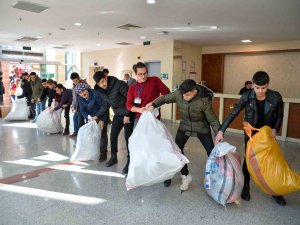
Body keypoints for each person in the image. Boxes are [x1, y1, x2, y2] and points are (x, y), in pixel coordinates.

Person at [215, 71, 286, 206]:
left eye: (263, 88)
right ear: (252, 85)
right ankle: (246, 187)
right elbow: (233, 113)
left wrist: (275, 129)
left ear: (268, 85)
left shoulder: (275, 97)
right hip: (251, 134)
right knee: (249, 160)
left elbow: (280, 115)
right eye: (257, 88)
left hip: (267, 134)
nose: (260, 91)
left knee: (269, 162)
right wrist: (221, 131)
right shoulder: (246, 96)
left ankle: (274, 191)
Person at [146, 79, 220, 191]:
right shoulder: (179, 94)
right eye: (183, 95)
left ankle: (217, 177)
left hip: (202, 128)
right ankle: (185, 175)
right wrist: (153, 104)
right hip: (184, 126)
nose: (184, 97)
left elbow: (213, 120)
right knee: (176, 151)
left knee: (212, 152)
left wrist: (219, 133)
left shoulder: (204, 101)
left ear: (195, 91)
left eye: (188, 95)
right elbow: (165, 98)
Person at [126, 62, 170, 186]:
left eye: (145, 73)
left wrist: (155, 103)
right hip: (139, 120)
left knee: (158, 146)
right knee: (140, 146)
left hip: (154, 120)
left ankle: (166, 174)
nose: (143, 76)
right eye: (140, 74)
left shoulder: (154, 81)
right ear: (135, 74)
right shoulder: (133, 88)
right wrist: (139, 110)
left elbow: (167, 93)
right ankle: (140, 171)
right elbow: (129, 105)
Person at [93, 70, 135, 174]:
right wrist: (97, 116)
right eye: (100, 83)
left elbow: (131, 99)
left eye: (103, 81)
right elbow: (105, 105)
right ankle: (113, 157)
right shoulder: (102, 90)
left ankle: (130, 161)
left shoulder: (119, 84)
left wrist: (127, 114)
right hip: (118, 114)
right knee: (113, 135)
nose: (102, 84)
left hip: (127, 113)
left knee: (128, 138)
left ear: (106, 77)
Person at [75, 83, 108, 158]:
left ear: (87, 89)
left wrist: (101, 119)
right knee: (91, 134)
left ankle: (103, 152)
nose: (82, 93)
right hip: (91, 117)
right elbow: (82, 110)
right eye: (80, 93)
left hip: (101, 114)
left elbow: (104, 107)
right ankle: (93, 150)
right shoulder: (80, 97)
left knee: (102, 134)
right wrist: (88, 117)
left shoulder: (96, 94)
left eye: (83, 91)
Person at [70, 72, 89, 138]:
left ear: (79, 78)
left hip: (84, 106)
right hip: (78, 106)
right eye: (74, 81)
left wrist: (82, 84)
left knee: (81, 122)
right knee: (75, 118)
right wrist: (72, 105)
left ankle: (82, 136)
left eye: (76, 80)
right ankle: (76, 132)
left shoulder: (84, 84)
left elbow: (89, 89)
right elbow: (74, 98)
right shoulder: (73, 87)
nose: (75, 82)